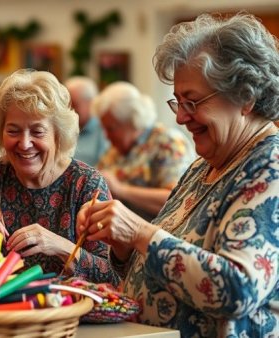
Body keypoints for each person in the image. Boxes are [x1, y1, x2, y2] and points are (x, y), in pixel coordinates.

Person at [77, 13, 279, 336]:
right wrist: (123, 247)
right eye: (179, 102)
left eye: (193, 101)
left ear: (245, 97)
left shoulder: (270, 168)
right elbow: (161, 263)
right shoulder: (205, 165)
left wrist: (139, 233)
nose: (181, 118)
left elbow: (238, 288)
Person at [0, 69, 118, 283]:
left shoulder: (86, 183)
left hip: (65, 312)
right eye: (13, 131)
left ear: (58, 134)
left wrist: (59, 246)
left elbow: (112, 275)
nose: (25, 143)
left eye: (37, 132)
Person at [93, 81, 193, 221]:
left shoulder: (168, 143)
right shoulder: (117, 149)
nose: (106, 135)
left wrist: (121, 190)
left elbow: (175, 200)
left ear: (132, 121)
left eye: (111, 128)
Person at [64, 76, 109, 166]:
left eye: (74, 105)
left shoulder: (104, 130)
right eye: (66, 104)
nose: (69, 110)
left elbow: (105, 168)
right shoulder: (62, 128)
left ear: (91, 103)